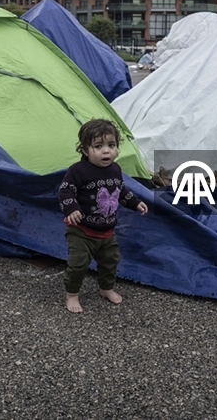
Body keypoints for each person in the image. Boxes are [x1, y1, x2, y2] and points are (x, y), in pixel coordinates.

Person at [58, 118, 148, 313]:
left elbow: (121, 191)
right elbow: (65, 192)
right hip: (81, 230)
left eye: (111, 145)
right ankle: (72, 294)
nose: (106, 151)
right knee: (78, 264)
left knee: (110, 261)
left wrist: (135, 202)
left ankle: (106, 288)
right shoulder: (78, 171)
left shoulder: (115, 169)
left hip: (107, 231)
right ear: (84, 150)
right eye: (98, 146)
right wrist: (72, 208)